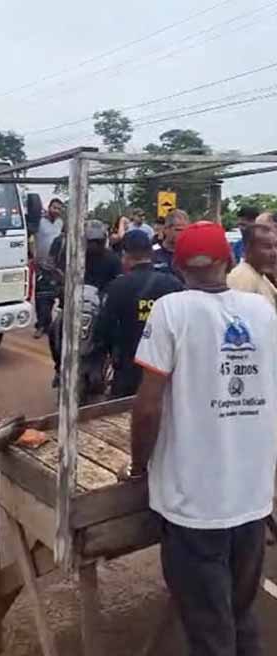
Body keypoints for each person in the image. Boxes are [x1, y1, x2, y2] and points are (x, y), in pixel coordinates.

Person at [128, 220, 277, 656]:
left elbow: (148, 407)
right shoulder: (263, 311)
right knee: (240, 614)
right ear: (228, 260)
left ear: (178, 268)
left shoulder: (171, 310)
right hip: (251, 499)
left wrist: (138, 465)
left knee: (210, 630)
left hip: (193, 507)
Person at [93, 230, 182, 398]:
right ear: (150, 253)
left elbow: (103, 330)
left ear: (125, 255)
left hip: (128, 372)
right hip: (167, 373)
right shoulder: (173, 284)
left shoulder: (117, 287)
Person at [48, 220, 123, 387]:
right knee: (54, 329)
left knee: (115, 335)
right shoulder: (74, 257)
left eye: (97, 242)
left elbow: (118, 281)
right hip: (74, 305)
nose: (93, 245)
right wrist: (59, 287)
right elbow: (60, 274)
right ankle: (59, 366)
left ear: (104, 241)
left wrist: (111, 294)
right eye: (90, 241)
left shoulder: (113, 259)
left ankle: (112, 368)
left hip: (101, 308)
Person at [33, 198, 65, 337]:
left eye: (59, 209)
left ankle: (50, 324)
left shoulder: (60, 223)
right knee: (41, 297)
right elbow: (32, 238)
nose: (56, 211)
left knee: (52, 295)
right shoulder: (39, 221)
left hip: (56, 266)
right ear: (49, 207)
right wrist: (33, 257)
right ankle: (41, 325)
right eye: (54, 207)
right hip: (41, 264)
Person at [227, 222, 277, 311]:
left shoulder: (259, 275)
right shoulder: (242, 278)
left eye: (275, 246)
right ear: (248, 249)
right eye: (267, 247)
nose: (274, 253)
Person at [152, 209, 189, 281]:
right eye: (178, 230)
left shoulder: (190, 254)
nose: (182, 234)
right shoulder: (153, 252)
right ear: (166, 229)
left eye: (186, 230)